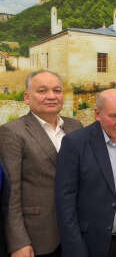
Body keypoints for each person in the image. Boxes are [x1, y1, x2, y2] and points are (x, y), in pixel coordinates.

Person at [55, 89, 116, 257]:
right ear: (97, 114)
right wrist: (76, 250)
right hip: (90, 246)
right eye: (114, 116)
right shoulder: (75, 143)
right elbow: (65, 203)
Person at [0, 70, 82, 257]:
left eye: (57, 90)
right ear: (27, 98)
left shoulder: (75, 126)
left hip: (74, 230)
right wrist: (18, 241)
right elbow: (11, 193)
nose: (51, 96)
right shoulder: (12, 132)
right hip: (37, 236)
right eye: (42, 91)